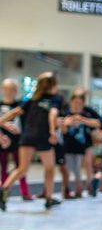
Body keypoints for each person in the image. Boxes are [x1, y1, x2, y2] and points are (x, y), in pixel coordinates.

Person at [0, 72, 63, 210]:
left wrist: (1, 121)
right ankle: (48, 198)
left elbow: (15, 112)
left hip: (28, 136)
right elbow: (53, 114)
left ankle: (3, 190)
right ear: (53, 85)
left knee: (22, 168)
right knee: (49, 168)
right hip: (43, 136)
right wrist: (53, 131)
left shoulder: (31, 99)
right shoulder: (55, 98)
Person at [59, 89, 102, 198]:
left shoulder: (88, 111)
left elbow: (98, 123)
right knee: (68, 168)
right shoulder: (65, 112)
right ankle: (67, 190)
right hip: (68, 145)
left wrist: (83, 120)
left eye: (80, 103)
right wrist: (67, 123)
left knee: (86, 165)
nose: (78, 105)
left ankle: (89, 187)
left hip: (85, 145)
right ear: (71, 101)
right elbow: (61, 127)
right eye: (75, 102)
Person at [1, 78, 33, 202]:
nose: (9, 92)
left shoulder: (20, 105)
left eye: (12, 89)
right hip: (2, 139)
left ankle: (25, 192)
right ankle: (4, 192)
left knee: (21, 166)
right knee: (3, 167)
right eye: (7, 89)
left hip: (18, 141)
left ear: (16, 91)